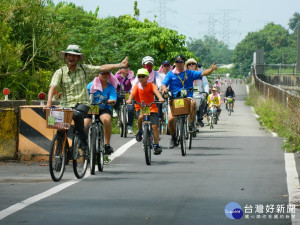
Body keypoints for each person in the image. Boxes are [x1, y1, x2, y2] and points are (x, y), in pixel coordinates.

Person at [45, 44, 128, 152]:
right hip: (65, 104)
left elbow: (101, 68)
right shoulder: (60, 72)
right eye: (69, 55)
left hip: (82, 103)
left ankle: (83, 140)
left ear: (78, 58)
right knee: (59, 127)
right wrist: (49, 102)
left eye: (74, 56)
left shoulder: (84, 69)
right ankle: (59, 155)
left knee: (77, 114)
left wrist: (120, 65)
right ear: (66, 57)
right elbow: (53, 86)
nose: (71, 57)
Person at [161, 55, 218, 149]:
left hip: (187, 97)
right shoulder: (170, 74)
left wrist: (211, 69)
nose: (179, 64)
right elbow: (164, 84)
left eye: (181, 62)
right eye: (177, 62)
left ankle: (191, 124)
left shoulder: (190, 73)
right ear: (175, 63)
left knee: (193, 103)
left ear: (184, 63)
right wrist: (164, 89)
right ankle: (173, 138)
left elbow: (203, 73)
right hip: (174, 99)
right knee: (170, 120)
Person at [126, 68, 165, 155]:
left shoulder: (151, 85)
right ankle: (140, 131)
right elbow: (132, 93)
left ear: (147, 77)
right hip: (141, 107)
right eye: (139, 77)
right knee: (140, 117)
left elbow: (156, 91)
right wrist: (129, 100)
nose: (141, 78)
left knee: (155, 127)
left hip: (151, 107)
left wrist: (160, 98)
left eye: (143, 76)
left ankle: (156, 145)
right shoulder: (136, 86)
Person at [85, 71, 118, 154]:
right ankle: (84, 143)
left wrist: (111, 101)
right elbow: (84, 95)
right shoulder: (91, 85)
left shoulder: (110, 87)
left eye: (107, 74)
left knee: (107, 120)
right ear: (99, 74)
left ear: (109, 75)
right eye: (103, 73)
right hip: (91, 107)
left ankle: (107, 144)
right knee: (85, 124)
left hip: (103, 108)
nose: (105, 75)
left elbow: (113, 98)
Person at [185, 58, 209, 127]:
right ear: (187, 66)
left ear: (196, 65)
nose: (191, 65)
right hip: (187, 94)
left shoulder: (201, 74)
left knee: (200, 100)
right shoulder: (185, 75)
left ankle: (199, 118)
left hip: (198, 94)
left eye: (193, 64)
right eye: (189, 64)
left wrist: (206, 91)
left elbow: (205, 83)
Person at [114, 66, 135, 134]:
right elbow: (113, 84)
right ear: (120, 69)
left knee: (130, 109)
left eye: (127, 68)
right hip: (119, 93)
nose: (126, 69)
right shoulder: (117, 76)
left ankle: (129, 126)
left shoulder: (130, 76)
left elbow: (133, 83)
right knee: (116, 96)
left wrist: (134, 88)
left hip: (127, 94)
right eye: (124, 68)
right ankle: (115, 109)